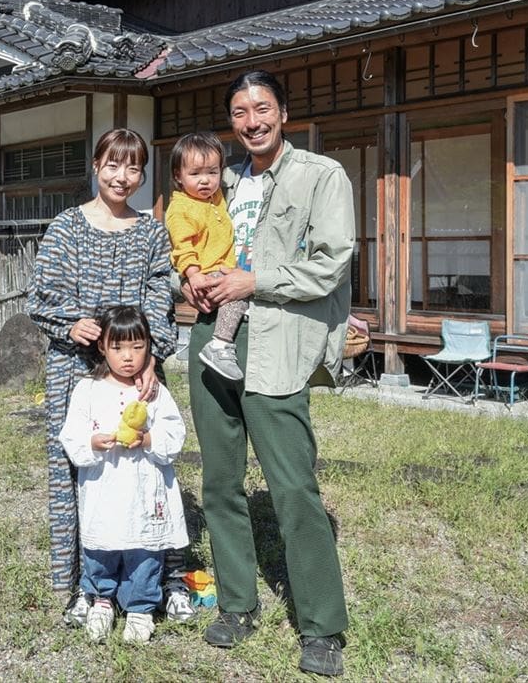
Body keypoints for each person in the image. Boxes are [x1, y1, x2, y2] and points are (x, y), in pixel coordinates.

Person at [181, 70, 354, 676]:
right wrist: (191, 280)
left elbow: (331, 263)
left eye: (261, 108)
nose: (251, 121)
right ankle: (236, 603)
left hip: (277, 336)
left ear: (283, 111)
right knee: (221, 481)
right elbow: (188, 241)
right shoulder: (218, 182)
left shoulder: (320, 176)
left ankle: (322, 626)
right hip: (212, 336)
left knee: (292, 484)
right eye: (239, 112)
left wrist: (255, 281)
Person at [26, 128, 179, 628]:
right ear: (96, 166)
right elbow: (40, 294)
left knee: (142, 467)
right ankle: (79, 584)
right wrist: (70, 322)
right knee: (75, 467)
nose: (122, 176)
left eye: (133, 167)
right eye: (113, 164)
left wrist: (154, 353)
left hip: (137, 368)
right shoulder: (66, 227)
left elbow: (160, 297)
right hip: (74, 366)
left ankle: (150, 577)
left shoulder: (152, 232)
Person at [58, 305, 189, 644]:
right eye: (118, 348)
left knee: (144, 548)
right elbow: (71, 436)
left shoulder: (153, 392)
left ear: (149, 347)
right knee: (101, 544)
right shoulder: (88, 389)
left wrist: (148, 439)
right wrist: (92, 442)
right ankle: (101, 598)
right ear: (102, 347)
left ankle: (141, 606)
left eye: (137, 347)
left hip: (144, 487)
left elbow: (175, 434)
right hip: (105, 486)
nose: (128, 357)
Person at [164, 132, 248, 382]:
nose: (205, 181)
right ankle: (220, 345)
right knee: (238, 298)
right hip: (206, 272)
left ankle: (210, 342)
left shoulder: (215, 198)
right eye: (195, 174)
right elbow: (182, 246)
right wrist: (192, 275)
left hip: (220, 268)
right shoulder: (181, 208)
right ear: (178, 176)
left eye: (212, 172)